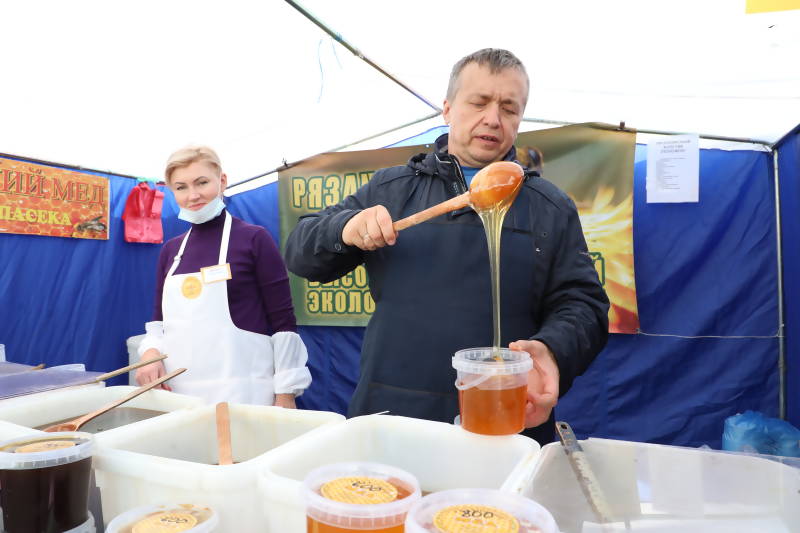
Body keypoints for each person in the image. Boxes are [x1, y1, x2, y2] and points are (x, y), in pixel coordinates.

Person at [284, 49, 608, 443]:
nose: (493, 118)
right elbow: (301, 253)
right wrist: (345, 228)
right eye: (479, 102)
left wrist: (552, 350)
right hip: (393, 414)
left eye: (509, 108)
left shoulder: (548, 206)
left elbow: (584, 305)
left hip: (505, 416)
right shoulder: (392, 189)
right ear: (448, 109)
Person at [136, 145, 311, 407]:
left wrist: (286, 392)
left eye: (202, 182)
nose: (193, 195)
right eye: (181, 187)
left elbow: (283, 322)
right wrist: (150, 353)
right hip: (180, 397)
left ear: (222, 181)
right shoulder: (171, 251)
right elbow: (158, 323)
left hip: (245, 393)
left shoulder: (254, 239)